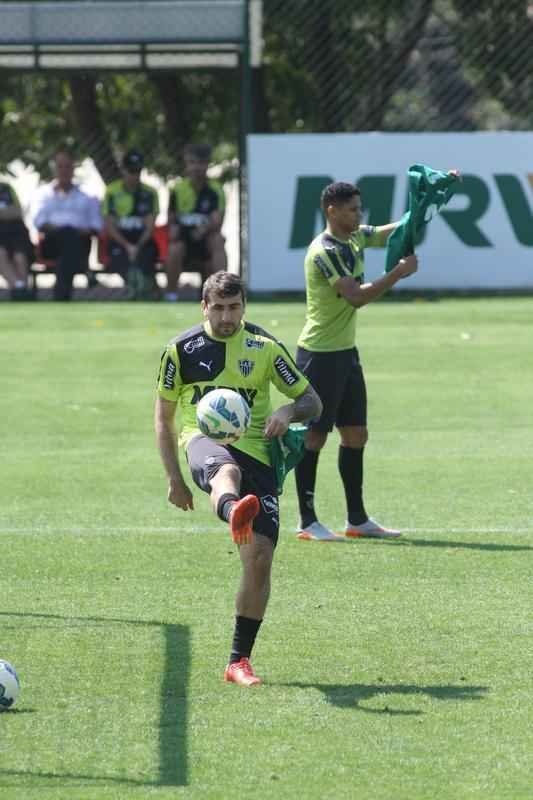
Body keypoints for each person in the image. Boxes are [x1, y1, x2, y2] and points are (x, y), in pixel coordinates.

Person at [155, 271, 322, 686]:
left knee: (260, 560)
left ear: (243, 306)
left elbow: (311, 400)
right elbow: (164, 417)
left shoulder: (263, 347)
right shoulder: (181, 350)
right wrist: (174, 478)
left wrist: (286, 412)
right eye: (219, 308)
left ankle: (238, 662)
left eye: (234, 308)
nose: (227, 317)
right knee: (224, 471)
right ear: (204, 307)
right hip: (203, 440)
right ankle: (232, 509)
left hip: (259, 454)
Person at [294, 180, 419, 542]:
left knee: (355, 434)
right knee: (314, 437)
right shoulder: (325, 250)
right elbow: (355, 298)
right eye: (352, 209)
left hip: (345, 353)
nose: (358, 215)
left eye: (359, 209)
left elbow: (386, 232)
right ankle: (307, 520)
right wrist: (398, 273)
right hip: (319, 355)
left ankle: (357, 519)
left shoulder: (353, 237)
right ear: (332, 211)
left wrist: (424, 207)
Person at [32, 149, 102, 301]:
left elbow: (96, 226)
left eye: (67, 166)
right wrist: (64, 230)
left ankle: (61, 296)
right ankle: (86, 270)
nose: (64, 170)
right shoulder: (43, 194)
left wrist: (73, 231)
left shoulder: (88, 197)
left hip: (81, 242)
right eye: (60, 166)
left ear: (73, 169)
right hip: (51, 244)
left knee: (69, 243)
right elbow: (39, 222)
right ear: (55, 169)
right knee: (67, 234)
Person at [164, 143, 227, 302]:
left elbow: (216, 221)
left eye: (201, 163)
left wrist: (202, 230)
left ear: (207, 165)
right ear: (186, 164)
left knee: (218, 240)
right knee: (174, 247)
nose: (196, 167)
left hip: (205, 239)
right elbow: (171, 220)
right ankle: (170, 295)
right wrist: (175, 231)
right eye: (192, 163)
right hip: (184, 240)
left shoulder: (216, 190)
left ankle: (221, 294)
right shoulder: (177, 189)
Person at [102, 149, 159, 299]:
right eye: (131, 171)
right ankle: (134, 287)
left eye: (137, 171)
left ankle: (146, 288)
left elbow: (150, 226)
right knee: (119, 257)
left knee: (148, 254)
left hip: (142, 240)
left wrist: (137, 246)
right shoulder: (112, 192)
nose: (134, 176)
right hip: (120, 240)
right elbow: (110, 225)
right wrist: (128, 246)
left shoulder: (150, 193)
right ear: (124, 170)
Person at [0, 179, 32, 300]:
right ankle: (20, 289)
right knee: (1, 254)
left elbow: (18, 211)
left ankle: (20, 291)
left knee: (20, 257)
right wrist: (7, 212)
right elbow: (12, 211)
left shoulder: (6, 187)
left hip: (16, 233)